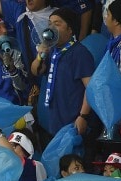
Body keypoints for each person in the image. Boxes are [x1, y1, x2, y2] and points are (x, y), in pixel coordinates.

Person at [30, 9, 95, 137]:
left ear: (70, 29)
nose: (51, 28)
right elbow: (35, 71)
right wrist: (40, 55)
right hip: (55, 123)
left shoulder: (79, 53)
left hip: (74, 124)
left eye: (57, 24)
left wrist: (83, 116)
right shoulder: (51, 51)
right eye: (50, 24)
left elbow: (91, 88)